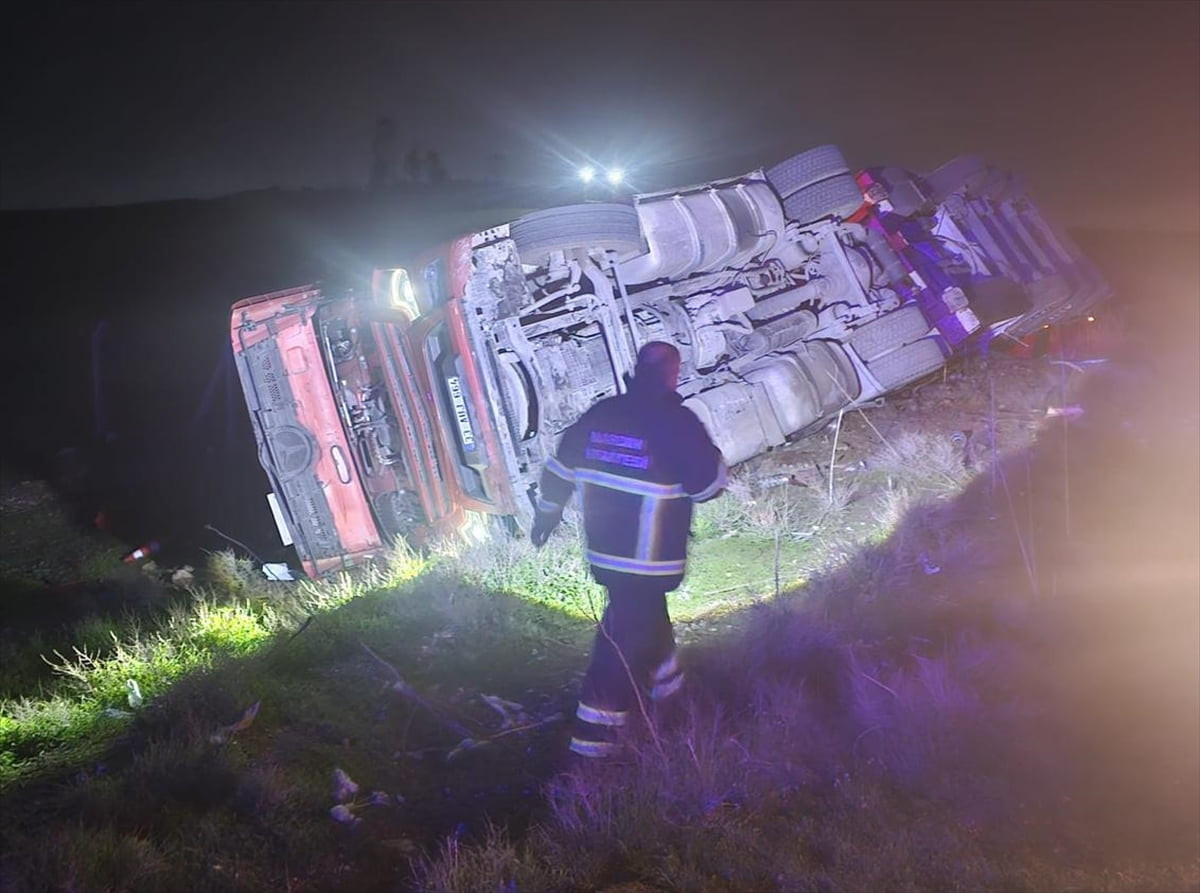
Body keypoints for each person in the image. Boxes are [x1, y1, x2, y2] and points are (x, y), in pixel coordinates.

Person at [530, 341, 727, 759]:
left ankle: (675, 706)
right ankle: (592, 751)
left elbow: (559, 470)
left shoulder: (602, 414)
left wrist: (545, 516)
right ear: (674, 375)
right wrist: (715, 457)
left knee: (650, 622)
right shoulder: (678, 422)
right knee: (618, 647)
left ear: (636, 371)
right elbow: (708, 487)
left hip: (606, 556)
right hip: (650, 560)